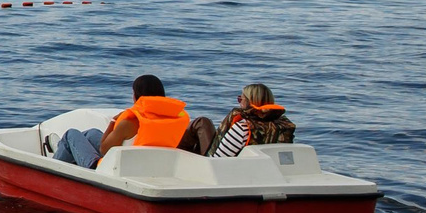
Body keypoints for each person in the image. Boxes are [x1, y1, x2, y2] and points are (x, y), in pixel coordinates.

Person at [54, 75, 191, 169]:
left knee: (70, 135)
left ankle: (53, 167)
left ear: (136, 95)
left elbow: (104, 149)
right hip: (151, 165)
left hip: (108, 168)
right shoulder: (174, 120)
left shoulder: (130, 122)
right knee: (91, 134)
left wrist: (114, 121)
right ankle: (67, 150)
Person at [214, 83, 296, 157]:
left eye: (240, 99)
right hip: (268, 170)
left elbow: (218, 159)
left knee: (202, 123)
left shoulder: (242, 128)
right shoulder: (284, 126)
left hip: (234, 170)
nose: (239, 103)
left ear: (249, 102)